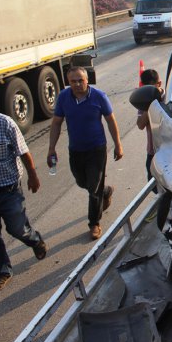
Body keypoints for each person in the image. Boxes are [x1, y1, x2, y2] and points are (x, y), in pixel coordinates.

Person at [47, 66, 123, 240]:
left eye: (80, 80)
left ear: (87, 80)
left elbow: (110, 121)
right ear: (68, 82)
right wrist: (51, 148)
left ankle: (94, 223)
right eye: (73, 81)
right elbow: (57, 123)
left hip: (96, 149)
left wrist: (118, 145)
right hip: (76, 150)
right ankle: (106, 191)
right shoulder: (64, 98)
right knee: (83, 182)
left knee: (93, 188)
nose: (77, 84)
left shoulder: (99, 97)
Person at [0, 113, 47, 292]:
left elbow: (23, 151)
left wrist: (33, 175)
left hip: (8, 189)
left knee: (17, 229)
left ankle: (34, 240)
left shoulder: (4, 123)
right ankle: (3, 271)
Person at [136, 69, 163, 190]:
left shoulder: (167, 97)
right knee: (153, 186)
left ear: (159, 84)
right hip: (152, 152)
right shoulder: (144, 101)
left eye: (152, 88)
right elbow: (140, 125)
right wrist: (149, 106)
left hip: (170, 149)